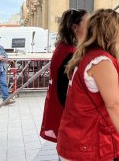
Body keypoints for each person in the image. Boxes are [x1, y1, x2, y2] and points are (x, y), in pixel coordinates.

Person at [57, 9, 119, 161]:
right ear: (111, 30)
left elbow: (97, 93)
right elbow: (113, 104)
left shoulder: (92, 56)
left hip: (81, 139)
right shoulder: (101, 62)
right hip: (88, 142)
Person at [40, 9, 88, 142]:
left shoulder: (63, 48)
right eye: (87, 23)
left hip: (60, 111)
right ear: (74, 27)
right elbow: (64, 91)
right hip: (66, 114)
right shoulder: (70, 53)